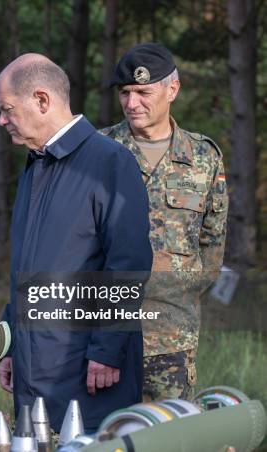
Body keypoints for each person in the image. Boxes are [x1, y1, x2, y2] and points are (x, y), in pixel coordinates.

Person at [0, 53, 153, 431]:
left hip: (88, 373)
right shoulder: (36, 166)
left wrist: (107, 351)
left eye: (6, 109)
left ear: (42, 100)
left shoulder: (109, 162)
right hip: (37, 370)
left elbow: (128, 263)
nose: (1, 120)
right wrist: (13, 343)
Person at [101, 42, 228, 401]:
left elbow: (212, 245)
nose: (131, 102)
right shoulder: (99, 151)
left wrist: (176, 292)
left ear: (172, 90)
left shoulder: (203, 157)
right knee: (105, 434)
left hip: (172, 335)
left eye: (143, 92)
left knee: (169, 433)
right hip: (105, 335)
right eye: (125, 93)